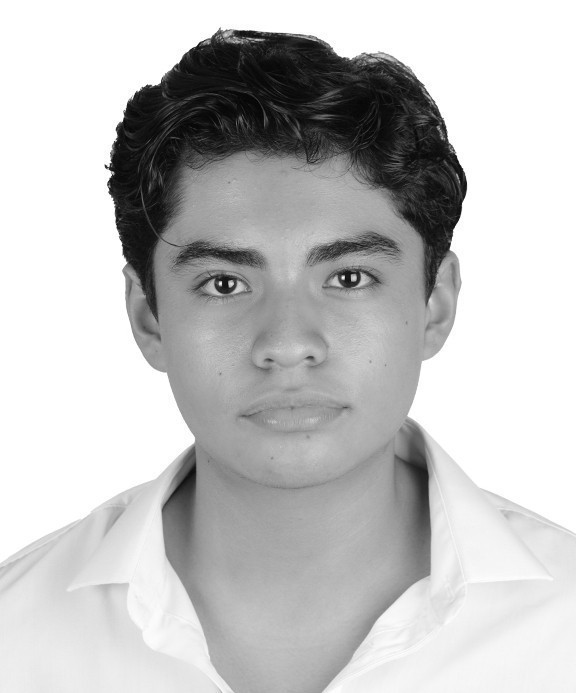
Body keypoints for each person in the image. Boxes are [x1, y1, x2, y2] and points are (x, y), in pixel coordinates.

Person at [1, 28, 575, 693]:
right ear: (148, 316)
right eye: (224, 283)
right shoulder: (16, 637)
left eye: (350, 277)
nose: (287, 342)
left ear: (436, 303)